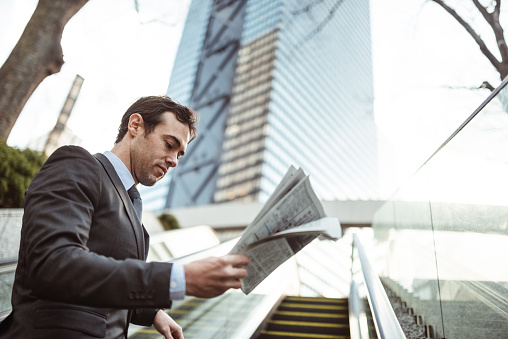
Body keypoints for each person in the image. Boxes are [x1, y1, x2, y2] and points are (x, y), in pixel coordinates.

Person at [0, 95, 250, 339]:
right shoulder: (78, 164)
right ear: (136, 125)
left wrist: (151, 312)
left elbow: (104, 281)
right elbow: (53, 264)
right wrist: (179, 278)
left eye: (179, 154)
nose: (174, 161)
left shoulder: (138, 222)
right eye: (169, 144)